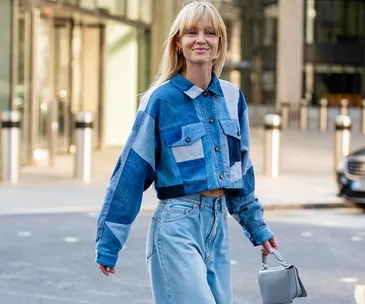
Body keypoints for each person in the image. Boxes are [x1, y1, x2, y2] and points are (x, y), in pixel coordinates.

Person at [95, 1, 278, 303]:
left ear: (220, 44)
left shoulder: (233, 98)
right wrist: (109, 243)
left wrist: (257, 226)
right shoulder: (161, 100)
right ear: (179, 43)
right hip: (177, 224)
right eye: (191, 32)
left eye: (210, 33)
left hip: (218, 228)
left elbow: (241, 173)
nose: (201, 39)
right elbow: (131, 172)